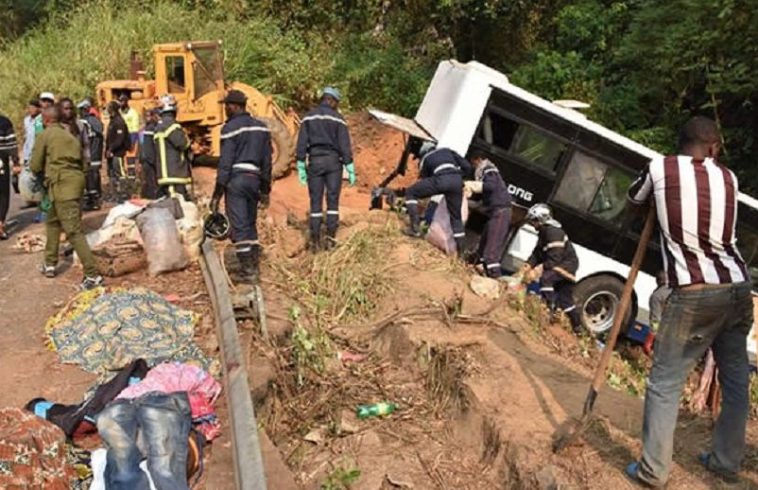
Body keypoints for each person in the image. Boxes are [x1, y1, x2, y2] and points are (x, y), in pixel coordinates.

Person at [624, 116, 753, 487]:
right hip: (738, 287)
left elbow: (634, 200)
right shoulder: (729, 178)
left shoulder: (659, 166)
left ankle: (652, 471)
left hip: (695, 294)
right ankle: (726, 462)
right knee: (735, 381)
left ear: (681, 142)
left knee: (665, 383)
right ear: (713, 148)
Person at [29, 105, 103, 290]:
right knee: (53, 223)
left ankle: (93, 275)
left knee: (73, 231)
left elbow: (35, 165)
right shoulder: (70, 136)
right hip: (73, 184)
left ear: (46, 120)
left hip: (62, 186)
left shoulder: (45, 136)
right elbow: (84, 163)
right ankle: (50, 262)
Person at [210, 89, 272, 283]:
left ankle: (248, 271)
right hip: (254, 179)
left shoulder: (230, 128)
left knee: (239, 226)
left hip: (236, 180)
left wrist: (217, 194)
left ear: (235, 106)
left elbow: (225, 162)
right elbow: (267, 161)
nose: (225, 109)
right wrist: (265, 189)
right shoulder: (261, 128)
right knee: (250, 223)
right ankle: (253, 265)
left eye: (227, 106)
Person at [295, 87, 356, 251]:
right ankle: (330, 239)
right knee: (332, 200)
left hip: (315, 162)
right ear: (333, 101)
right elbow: (344, 145)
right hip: (334, 164)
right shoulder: (339, 119)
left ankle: (314, 241)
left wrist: (301, 163)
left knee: (315, 201)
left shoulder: (309, 117)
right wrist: (349, 165)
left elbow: (301, 143)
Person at [521, 203, 582, 333]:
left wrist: (537, 270)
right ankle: (578, 327)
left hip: (565, 265)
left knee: (546, 279)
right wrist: (528, 265)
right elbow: (538, 253)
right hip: (563, 264)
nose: (532, 224)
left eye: (534, 220)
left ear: (541, 219)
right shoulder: (544, 233)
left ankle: (549, 309)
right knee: (565, 300)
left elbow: (554, 258)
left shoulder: (553, 232)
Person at [404, 142, 472, 255]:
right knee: (456, 218)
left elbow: (425, 180)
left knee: (411, 193)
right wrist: (458, 176)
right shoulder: (448, 150)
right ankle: (461, 251)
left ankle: (414, 228)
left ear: (424, 152)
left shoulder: (425, 158)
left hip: (441, 180)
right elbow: (468, 167)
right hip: (457, 182)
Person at [465, 152, 512, 278]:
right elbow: (486, 198)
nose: (473, 166)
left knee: (491, 251)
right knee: (483, 246)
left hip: (500, 212)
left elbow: (490, 186)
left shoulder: (488, 170)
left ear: (478, 159)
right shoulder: (488, 171)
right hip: (495, 213)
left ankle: (495, 277)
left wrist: (472, 185)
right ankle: (472, 262)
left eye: (473, 162)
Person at [153, 95, 191, 200]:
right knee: (177, 205)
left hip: (165, 174)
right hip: (174, 174)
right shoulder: (172, 126)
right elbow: (183, 144)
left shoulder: (159, 127)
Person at [78, 99, 104, 210]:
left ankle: (92, 201)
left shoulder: (83, 123)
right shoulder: (96, 121)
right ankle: (97, 198)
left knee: (89, 178)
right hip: (96, 153)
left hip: (88, 155)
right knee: (95, 176)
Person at [104, 101, 131, 202]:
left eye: (109, 108)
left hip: (118, 153)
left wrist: (111, 149)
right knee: (111, 174)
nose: (107, 110)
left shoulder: (119, 121)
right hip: (111, 153)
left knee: (120, 174)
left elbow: (120, 139)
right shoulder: (112, 121)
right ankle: (114, 195)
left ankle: (123, 194)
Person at [0, 113, 20, 240]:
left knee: (2, 193)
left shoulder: (4, 122)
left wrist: (16, 162)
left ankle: (0, 224)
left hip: (1, 161)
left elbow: (12, 143)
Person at [139, 107, 160, 199]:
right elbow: (147, 146)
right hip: (149, 161)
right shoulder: (151, 128)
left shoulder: (147, 128)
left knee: (148, 182)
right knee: (151, 183)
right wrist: (153, 161)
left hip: (146, 160)